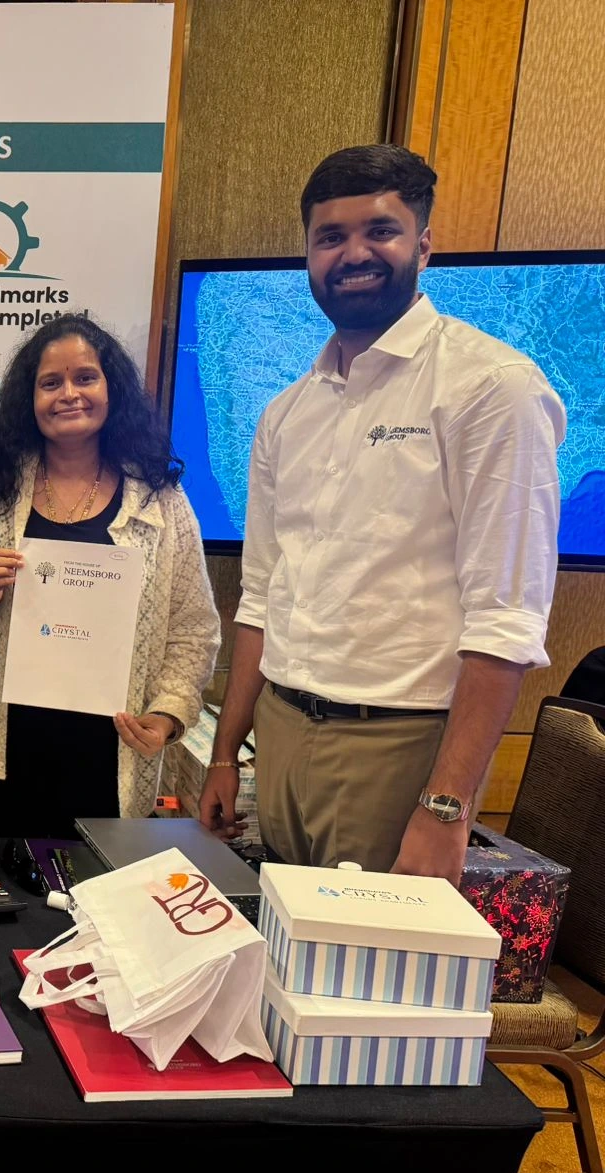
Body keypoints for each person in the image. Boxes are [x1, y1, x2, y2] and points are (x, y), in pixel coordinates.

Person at [199, 145, 565, 882]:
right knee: (285, 946)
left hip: (396, 745)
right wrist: (224, 755)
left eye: (380, 231)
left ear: (423, 245)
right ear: (309, 256)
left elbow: (505, 619)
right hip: (280, 735)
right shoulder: (286, 414)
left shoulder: (491, 388)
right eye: (330, 237)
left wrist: (446, 807)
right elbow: (262, 596)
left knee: (363, 956)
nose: (354, 254)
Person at [0, 314, 220, 834]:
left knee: (103, 883)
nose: (69, 395)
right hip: (8, 752)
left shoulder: (161, 501)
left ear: (111, 389)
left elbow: (193, 629)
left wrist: (168, 715)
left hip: (112, 753)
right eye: (50, 383)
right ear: (28, 400)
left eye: (85, 378)